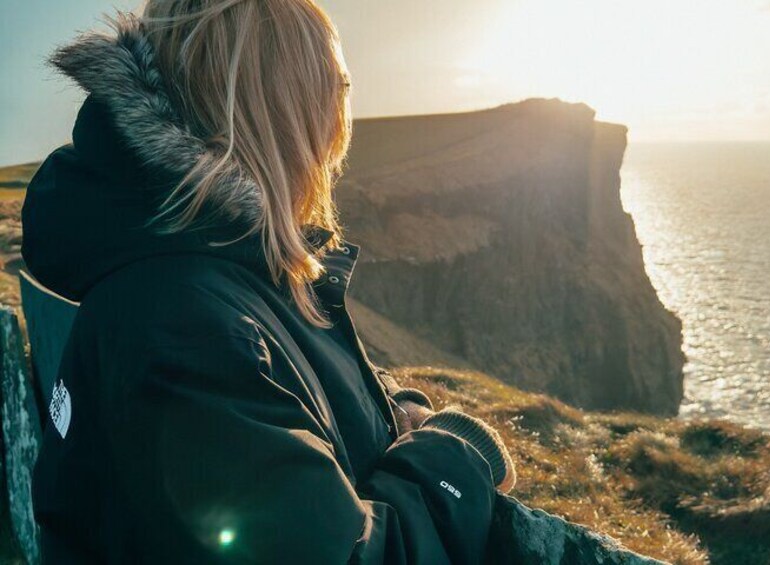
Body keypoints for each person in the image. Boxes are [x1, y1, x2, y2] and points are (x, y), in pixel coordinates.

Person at [23, 1, 516, 563]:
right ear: (284, 113)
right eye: (332, 88)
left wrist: (388, 410)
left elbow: (279, 381)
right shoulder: (182, 329)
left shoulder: (202, 265)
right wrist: (455, 457)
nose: (336, 128)